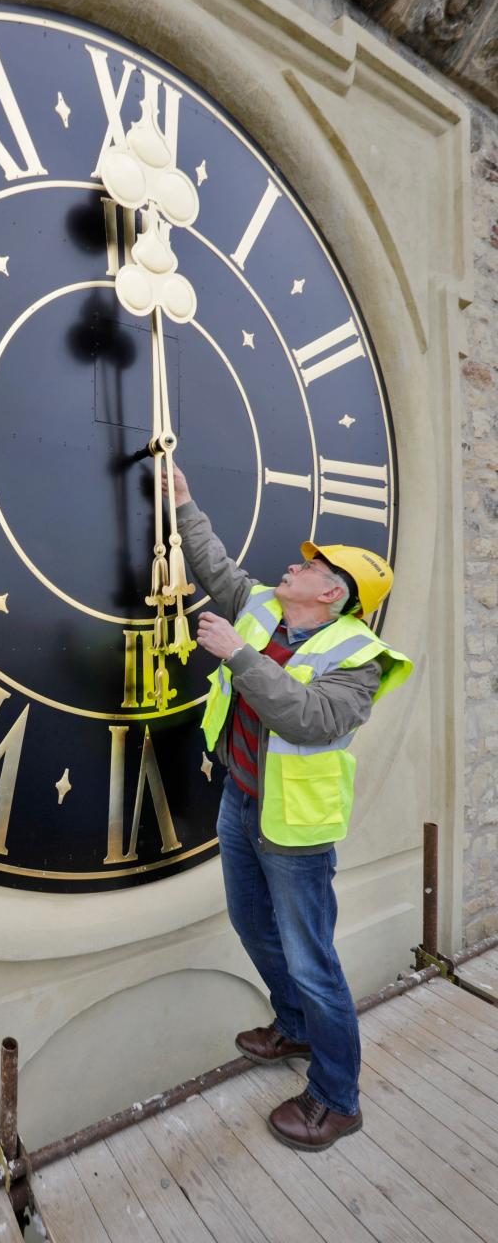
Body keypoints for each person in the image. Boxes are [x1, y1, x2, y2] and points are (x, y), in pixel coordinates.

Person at [165, 465, 412, 1150]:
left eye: (313, 567)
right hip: (242, 803)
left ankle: (338, 1099)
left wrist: (240, 655)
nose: (295, 565)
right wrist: (185, 502)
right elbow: (218, 567)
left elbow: (308, 719)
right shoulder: (266, 607)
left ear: (333, 594)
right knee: (253, 927)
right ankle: (296, 1028)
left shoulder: (359, 661)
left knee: (313, 963)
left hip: (295, 830)